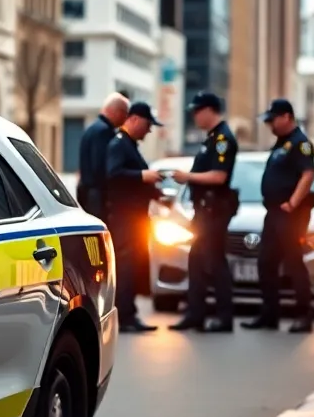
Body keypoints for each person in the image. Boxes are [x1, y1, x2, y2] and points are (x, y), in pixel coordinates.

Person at [243, 98, 314, 333]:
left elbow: (308, 174)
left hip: (289, 215)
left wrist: (293, 203)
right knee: (266, 262)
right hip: (274, 212)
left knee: (294, 263)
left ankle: (303, 316)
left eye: (273, 119)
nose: (270, 125)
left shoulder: (300, 143)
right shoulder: (281, 143)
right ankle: (269, 314)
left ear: (286, 117)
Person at [170, 92, 239, 333]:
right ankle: (195, 314)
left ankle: (223, 317)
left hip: (214, 212)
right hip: (204, 212)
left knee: (215, 262)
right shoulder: (210, 139)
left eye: (198, 111)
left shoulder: (223, 139)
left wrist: (187, 176)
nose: (195, 116)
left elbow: (219, 176)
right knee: (197, 261)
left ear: (210, 110)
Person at [105, 101, 164, 332]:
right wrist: (143, 175)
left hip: (134, 217)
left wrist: (156, 193)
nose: (149, 131)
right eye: (148, 125)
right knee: (127, 265)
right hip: (124, 218)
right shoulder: (119, 144)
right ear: (135, 119)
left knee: (133, 264)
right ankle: (126, 316)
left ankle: (129, 313)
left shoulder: (129, 144)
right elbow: (115, 174)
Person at [76, 93, 131, 219]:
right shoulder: (104, 132)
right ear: (116, 111)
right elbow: (100, 167)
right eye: (124, 113)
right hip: (98, 196)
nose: (125, 118)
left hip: (88, 193)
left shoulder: (92, 128)